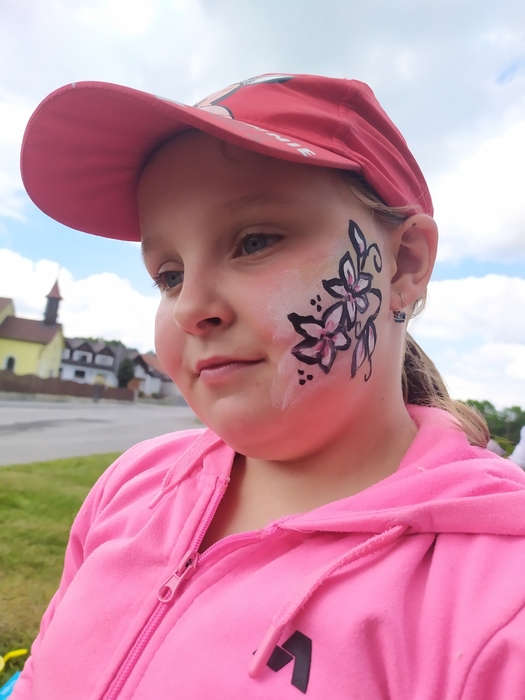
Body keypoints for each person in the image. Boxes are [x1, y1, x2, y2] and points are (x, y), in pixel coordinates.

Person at [13, 73, 525, 699]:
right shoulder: (134, 486)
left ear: (405, 264)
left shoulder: (496, 602)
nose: (189, 307)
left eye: (255, 241)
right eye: (169, 275)